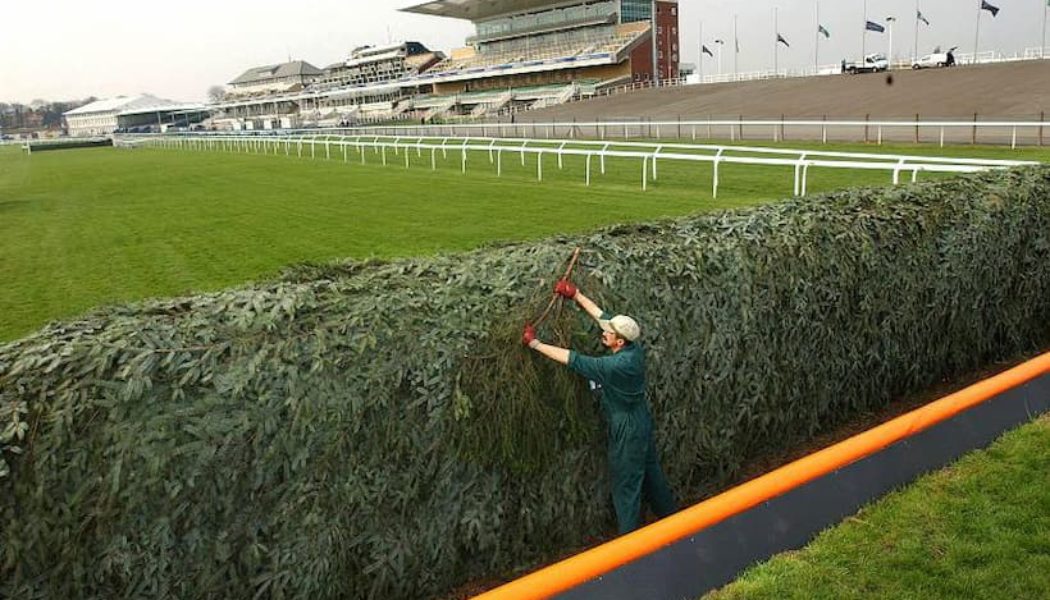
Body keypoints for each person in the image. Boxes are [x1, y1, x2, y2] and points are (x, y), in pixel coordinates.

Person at [522, 279, 677, 535]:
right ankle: (674, 522)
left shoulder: (614, 367)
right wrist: (576, 295)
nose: (604, 333)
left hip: (626, 427)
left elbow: (572, 358)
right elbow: (602, 317)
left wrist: (534, 344)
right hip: (641, 419)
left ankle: (629, 543)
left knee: (626, 485)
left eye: (609, 334)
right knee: (650, 472)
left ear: (618, 342)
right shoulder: (633, 348)